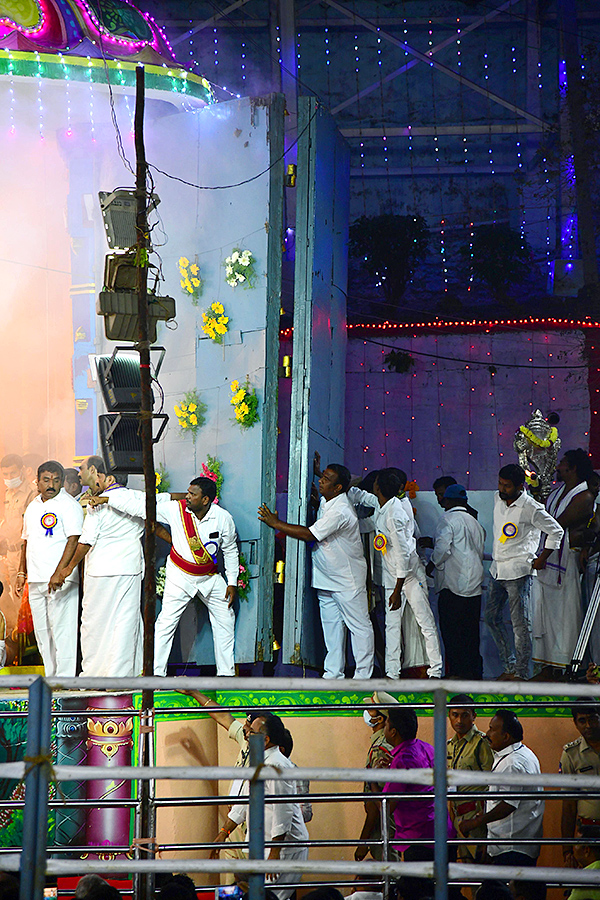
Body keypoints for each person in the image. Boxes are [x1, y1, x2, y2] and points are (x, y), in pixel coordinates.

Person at [92, 476, 239, 676]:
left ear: (206, 500)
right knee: (166, 623)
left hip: (210, 578)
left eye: (192, 494)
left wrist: (232, 583)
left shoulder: (223, 518)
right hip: (180, 577)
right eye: (188, 492)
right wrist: (107, 500)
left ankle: (226, 674)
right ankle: (156, 674)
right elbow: (140, 507)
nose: (187, 497)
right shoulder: (176, 510)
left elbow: (230, 550)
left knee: (225, 620)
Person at [258, 462, 374, 679]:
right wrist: (318, 474)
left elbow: (310, 534)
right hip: (326, 578)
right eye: (322, 476)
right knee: (332, 629)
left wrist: (276, 523)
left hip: (347, 579)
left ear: (338, 488)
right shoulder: (328, 499)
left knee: (359, 628)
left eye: (326, 479)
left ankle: (363, 678)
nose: (321, 480)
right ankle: (333, 675)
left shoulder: (340, 510)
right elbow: (323, 497)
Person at [351, 469, 442, 678]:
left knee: (425, 621)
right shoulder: (383, 505)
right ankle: (392, 673)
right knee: (391, 625)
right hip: (393, 576)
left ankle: (435, 671)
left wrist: (397, 589)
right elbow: (365, 509)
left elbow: (402, 554)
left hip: (409, 575)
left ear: (378, 488)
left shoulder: (396, 513)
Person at [56, 458, 144, 677]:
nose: (79, 474)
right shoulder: (136, 498)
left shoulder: (97, 502)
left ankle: (94, 675)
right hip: (129, 569)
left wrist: (67, 568)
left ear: (99, 473)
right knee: (125, 622)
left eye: (82, 469)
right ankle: (122, 675)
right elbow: (161, 511)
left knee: (95, 625)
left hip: (101, 572)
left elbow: (87, 540)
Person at [211, 713, 309, 900]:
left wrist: (274, 852)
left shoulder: (277, 766)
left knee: (269, 897)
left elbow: (283, 811)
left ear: (265, 740)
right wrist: (224, 831)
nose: (247, 735)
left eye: (252, 732)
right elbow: (244, 802)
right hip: (266, 846)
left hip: (284, 849)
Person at [485, 463, 564, 680]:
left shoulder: (531, 507)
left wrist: (542, 558)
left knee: (520, 625)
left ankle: (521, 673)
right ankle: (509, 666)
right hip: (496, 569)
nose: (502, 489)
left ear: (520, 486)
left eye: (507, 486)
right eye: (500, 483)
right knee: (490, 618)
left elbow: (556, 531)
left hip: (519, 571)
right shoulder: (497, 497)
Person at [15, 461, 83, 677]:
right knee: (43, 632)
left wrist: (60, 572)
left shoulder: (69, 505)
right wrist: (21, 573)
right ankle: (51, 677)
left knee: (62, 631)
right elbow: (26, 541)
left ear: (62, 482)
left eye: (56, 480)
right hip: (35, 578)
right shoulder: (33, 505)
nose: (51, 484)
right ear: (38, 481)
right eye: (46, 480)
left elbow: (74, 539)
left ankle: (65, 680)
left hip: (60, 579)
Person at [532, 450, 596, 676]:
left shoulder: (584, 495)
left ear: (573, 468)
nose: (557, 467)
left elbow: (556, 525)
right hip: (549, 560)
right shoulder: (558, 492)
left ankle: (566, 666)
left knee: (566, 614)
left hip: (566, 560)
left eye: (562, 463)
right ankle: (548, 665)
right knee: (547, 614)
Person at [382, 706, 453, 900]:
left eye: (386, 724)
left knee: (416, 893)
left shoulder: (402, 760)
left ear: (393, 732)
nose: (384, 729)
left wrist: (375, 780)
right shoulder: (426, 748)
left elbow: (386, 805)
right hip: (442, 831)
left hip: (419, 838)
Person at [462, 709, 544, 869]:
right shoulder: (520, 754)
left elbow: (508, 805)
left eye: (492, 729)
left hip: (512, 846)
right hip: (513, 843)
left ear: (506, 736)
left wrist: (474, 823)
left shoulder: (512, 763)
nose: (487, 734)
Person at [427, 484, 485, 678]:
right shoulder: (474, 522)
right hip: (474, 586)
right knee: (471, 633)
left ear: (450, 500)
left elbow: (443, 549)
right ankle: (473, 674)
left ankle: (456, 674)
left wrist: (431, 564)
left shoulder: (448, 519)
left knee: (452, 633)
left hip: (453, 585)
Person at [446, 693, 494, 865]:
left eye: (465, 715)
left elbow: (492, 784)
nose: (459, 720)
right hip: (457, 818)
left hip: (477, 818)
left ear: (474, 716)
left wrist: (484, 823)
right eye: (455, 715)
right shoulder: (449, 746)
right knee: (467, 872)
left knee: (481, 873)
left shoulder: (481, 743)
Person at [355, 690, 398, 863]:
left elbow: (377, 800)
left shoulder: (381, 748)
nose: (366, 711)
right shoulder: (378, 744)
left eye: (371, 709)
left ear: (380, 719)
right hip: (380, 822)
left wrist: (363, 842)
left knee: (387, 869)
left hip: (381, 823)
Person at [559, 704, 600, 867]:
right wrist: (567, 850)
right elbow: (569, 805)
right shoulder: (571, 754)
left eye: (592, 719)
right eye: (582, 721)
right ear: (575, 723)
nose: (588, 726)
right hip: (588, 833)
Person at [0, 453, 36, 632]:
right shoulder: (8, 492)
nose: (8, 478)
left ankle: (28, 644)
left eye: (12, 473)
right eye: (5, 474)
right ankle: (17, 642)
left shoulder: (32, 492)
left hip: (25, 554)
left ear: (22, 470)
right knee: (14, 600)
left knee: (26, 602)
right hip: (10, 553)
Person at [566, 824, 600, 900]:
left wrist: (571, 880)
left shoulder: (585, 879)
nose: (574, 848)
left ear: (586, 850)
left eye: (576, 844)